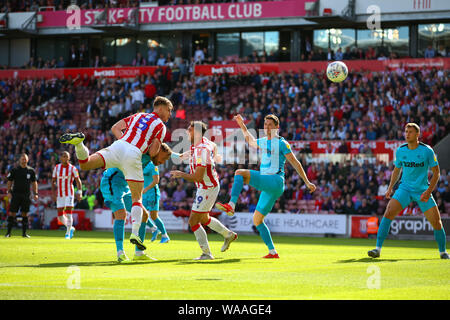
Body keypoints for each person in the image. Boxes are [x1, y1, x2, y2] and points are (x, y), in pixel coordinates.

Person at [59, 96, 173, 252]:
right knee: (137, 199)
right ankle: (134, 235)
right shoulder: (160, 126)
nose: (169, 114)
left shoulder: (138, 115)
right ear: (160, 108)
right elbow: (153, 152)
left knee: (85, 164)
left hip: (118, 146)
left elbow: (115, 128)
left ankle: (79, 144)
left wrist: (126, 141)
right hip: (133, 153)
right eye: (169, 110)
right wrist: (146, 148)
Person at [215, 114, 316, 258]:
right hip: (269, 187)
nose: (267, 127)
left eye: (270, 124)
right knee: (257, 220)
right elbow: (250, 141)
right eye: (265, 124)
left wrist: (307, 182)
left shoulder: (282, 143)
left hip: (275, 181)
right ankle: (272, 251)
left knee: (239, 172)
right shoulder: (263, 141)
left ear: (277, 127)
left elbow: (295, 162)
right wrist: (241, 124)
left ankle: (231, 204)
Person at [368, 123, 448, 259]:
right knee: (388, 213)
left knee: (436, 222)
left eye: (410, 132)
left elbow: (437, 173)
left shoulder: (427, 151)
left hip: (422, 190)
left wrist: (428, 191)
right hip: (404, 189)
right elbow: (397, 170)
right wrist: (390, 187)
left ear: (418, 135)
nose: (407, 134)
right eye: (406, 131)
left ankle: (443, 252)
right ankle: (377, 249)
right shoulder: (400, 151)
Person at [170, 121, 238, 260]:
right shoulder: (203, 144)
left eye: (190, 128)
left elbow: (197, 176)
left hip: (207, 188)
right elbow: (213, 146)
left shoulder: (202, 150)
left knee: (193, 221)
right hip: (206, 186)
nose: (187, 130)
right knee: (204, 218)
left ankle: (206, 253)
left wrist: (180, 174)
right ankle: (228, 234)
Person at [100, 146, 172, 263]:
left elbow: (166, 152)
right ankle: (120, 253)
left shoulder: (150, 161)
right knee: (121, 215)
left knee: (144, 214)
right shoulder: (141, 152)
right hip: (112, 181)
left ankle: (139, 252)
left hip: (126, 185)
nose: (162, 162)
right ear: (157, 151)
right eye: (163, 158)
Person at [5, 153, 38, 238]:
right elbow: (9, 181)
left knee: (25, 214)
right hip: (15, 194)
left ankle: (24, 233)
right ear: (19, 160)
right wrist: (8, 191)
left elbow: (34, 183)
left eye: (25, 159)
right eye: (22, 159)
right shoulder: (14, 170)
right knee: (12, 213)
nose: (24, 160)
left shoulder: (31, 171)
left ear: (28, 160)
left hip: (26, 195)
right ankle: (8, 233)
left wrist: (35, 193)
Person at [51, 151, 82, 239]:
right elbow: (53, 181)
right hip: (60, 194)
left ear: (69, 158)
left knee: (68, 213)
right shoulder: (57, 168)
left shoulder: (73, 168)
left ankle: (67, 233)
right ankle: (70, 228)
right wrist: (53, 193)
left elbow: (78, 181)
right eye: (63, 156)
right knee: (60, 216)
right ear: (60, 158)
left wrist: (79, 192)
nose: (65, 158)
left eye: (66, 156)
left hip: (69, 193)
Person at [142, 148, 170, 243]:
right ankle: (154, 229)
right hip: (144, 194)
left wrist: (146, 189)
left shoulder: (154, 165)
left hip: (152, 193)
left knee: (154, 216)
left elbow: (156, 181)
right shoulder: (143, 164)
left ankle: (165, 235)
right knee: (142, 214)